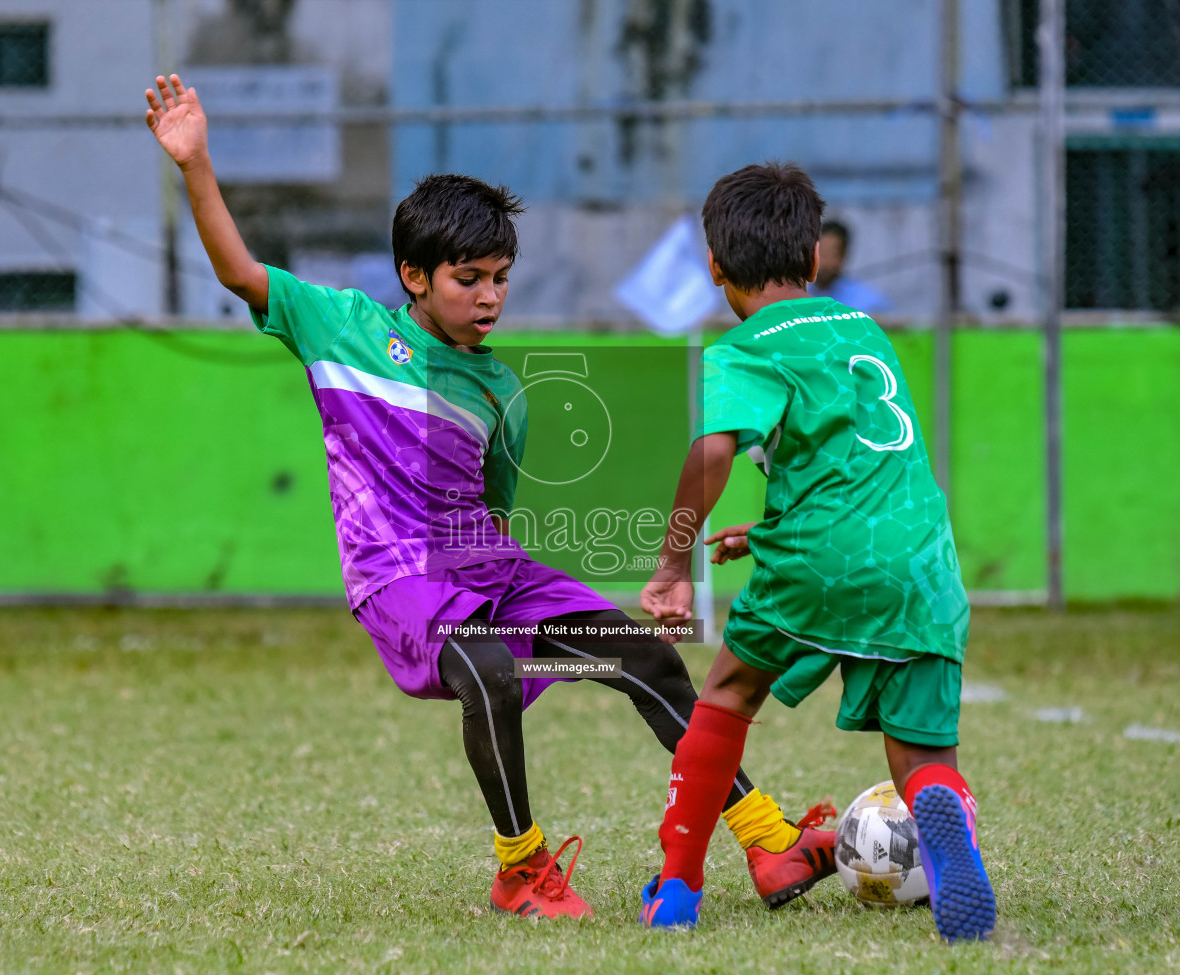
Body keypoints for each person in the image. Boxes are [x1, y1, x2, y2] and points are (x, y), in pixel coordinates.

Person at [143, 75, 837, 919]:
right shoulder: (341, 326)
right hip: (398, 580)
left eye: (501, 277)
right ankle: (522, 866)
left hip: (489, 569)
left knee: (644, 657)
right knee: (491, 665)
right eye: (469, 277)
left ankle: (767, 841)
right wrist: (196, 165)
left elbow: (494, 512)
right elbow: (239, 270)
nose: (490, 296)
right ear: (414, 275)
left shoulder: (503, 390)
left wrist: (514, 594)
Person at [637, 162, 994, 941]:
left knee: (728, 695)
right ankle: (946, 827)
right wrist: (759, 532)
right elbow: (852, 472)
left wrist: (672, 566)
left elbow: (712, 454)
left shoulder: (741, 350)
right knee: (923, 750)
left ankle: (675, 888)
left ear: (714, 270)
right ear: (813, 261)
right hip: (920, 559)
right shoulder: (865, 332)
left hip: (815, 557)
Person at [810, 220, 893, 315]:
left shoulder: (868, 301)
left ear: (843, 256)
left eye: (830, 255)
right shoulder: (798, 295)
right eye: (819, 253)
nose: (823, 263)